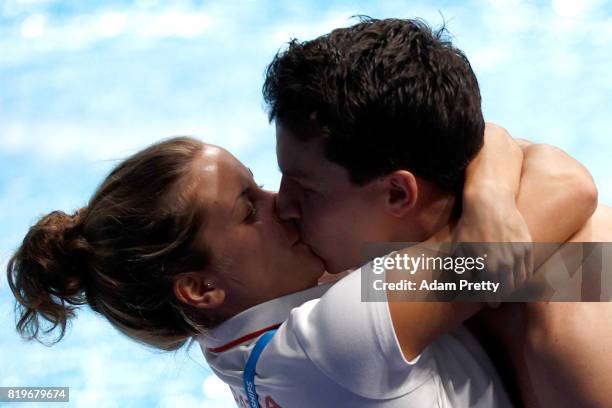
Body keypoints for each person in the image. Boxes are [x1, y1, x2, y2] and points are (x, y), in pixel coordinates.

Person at [6, 132, 597, 407]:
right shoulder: (334, 338)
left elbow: (477, 140)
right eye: (248, 208)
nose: (282, 204)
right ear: (202, 287)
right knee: (560, 298)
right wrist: (489, 200)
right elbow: (567, 190)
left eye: (258, 182)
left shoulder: (239, 344)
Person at [263, 16, 612, 407]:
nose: (282, 205)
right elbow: (496, 139)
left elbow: (569, 187)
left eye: (306, 189)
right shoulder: (397, 251)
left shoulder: (571, 344)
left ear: (398, 193)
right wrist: (490, 192)